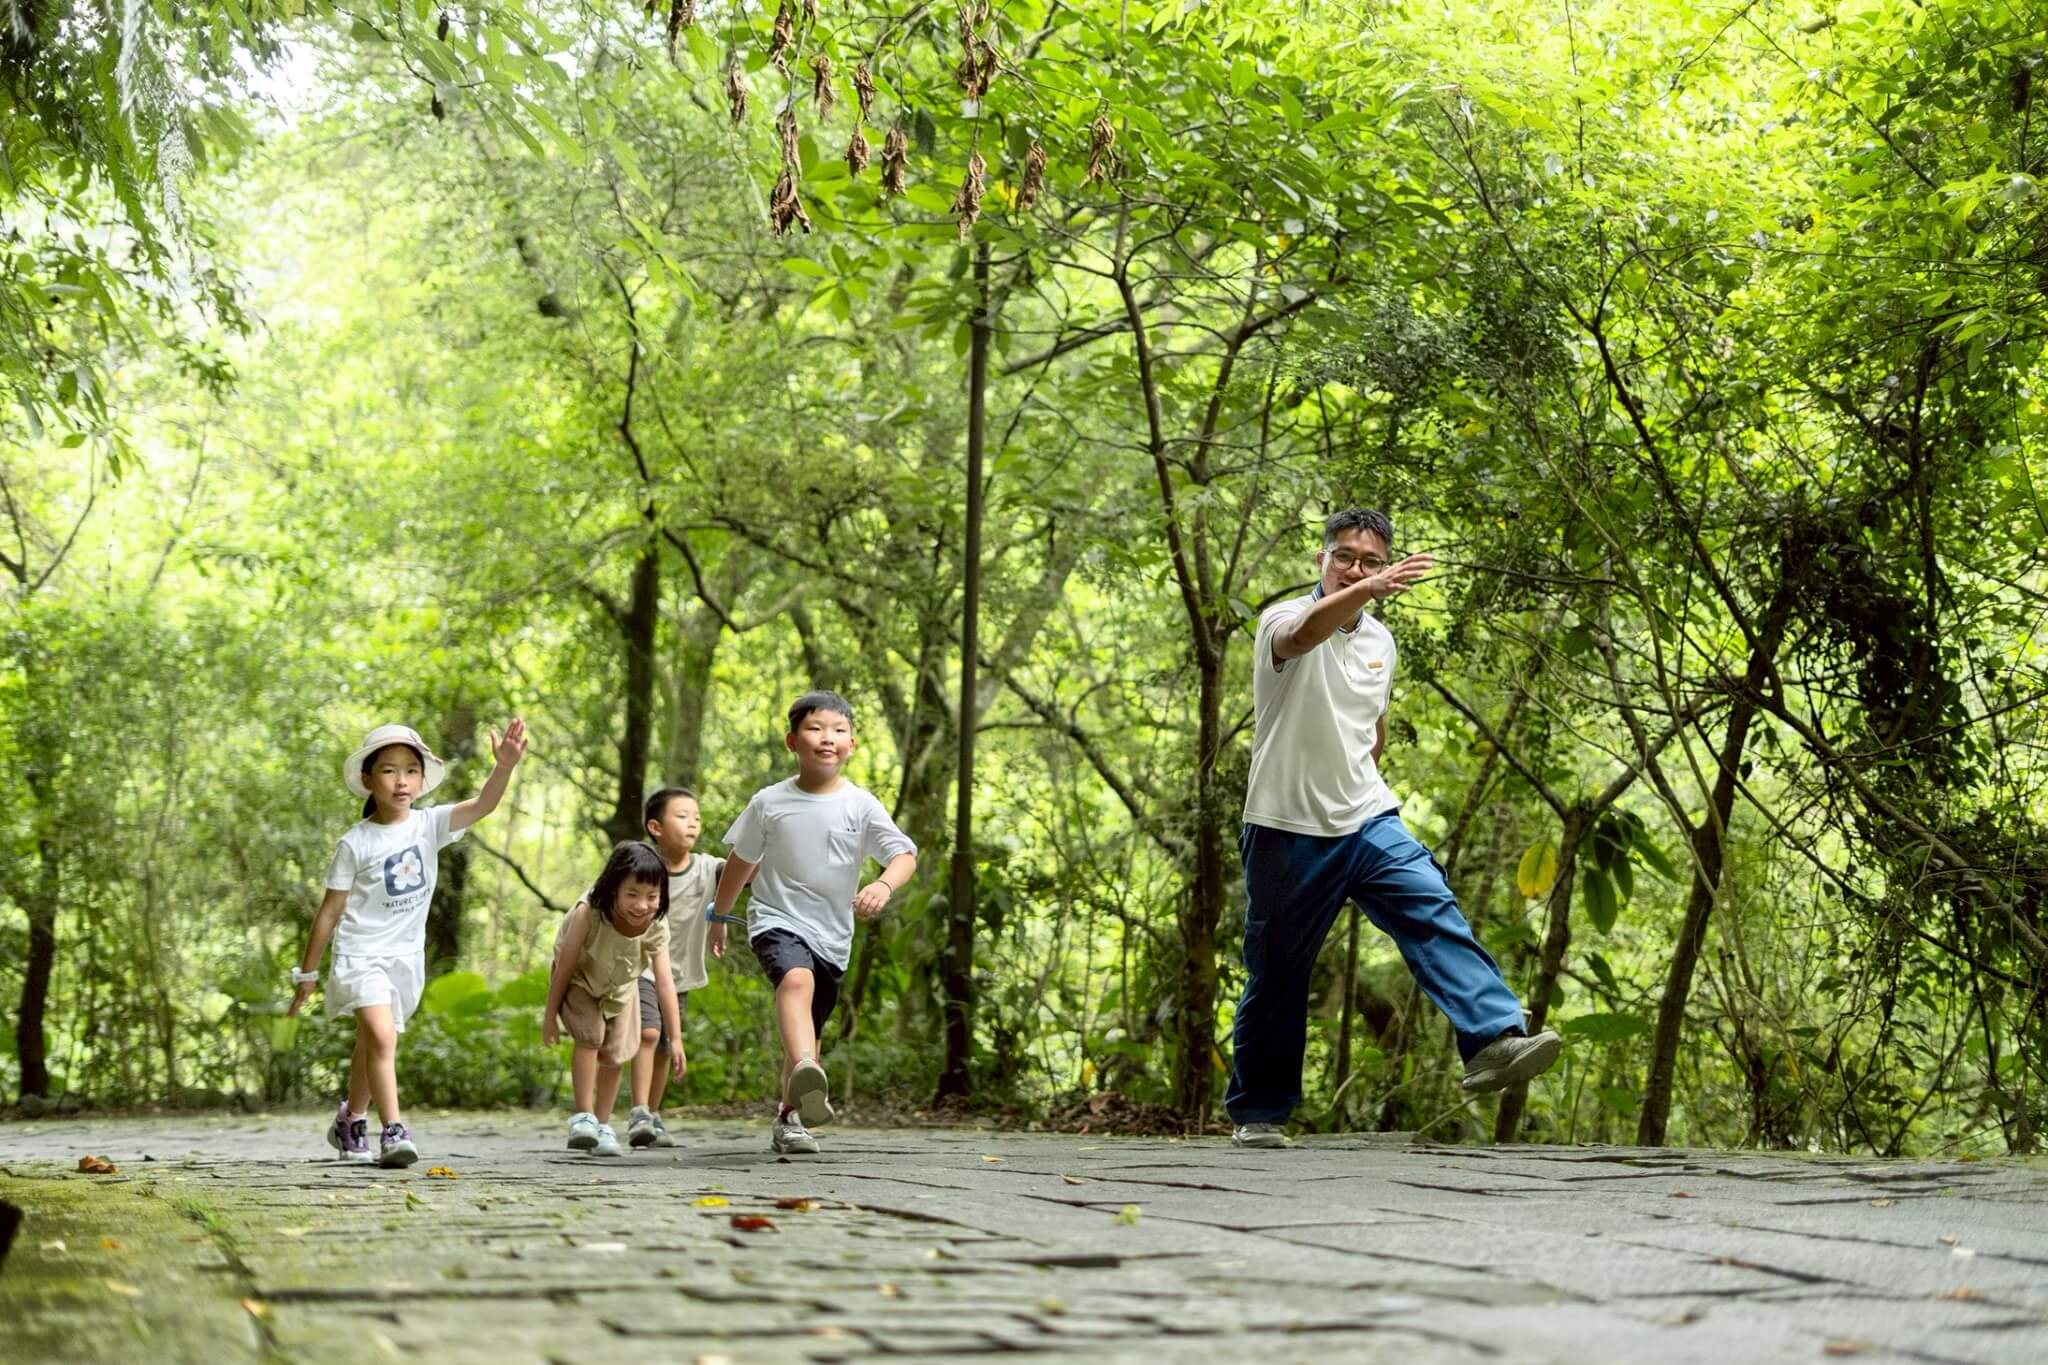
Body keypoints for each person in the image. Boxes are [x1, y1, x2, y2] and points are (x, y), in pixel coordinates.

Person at [1226, 508, 1561, 1149]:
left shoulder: (1381, 642)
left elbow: (1370, 730)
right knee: (1278, 973)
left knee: (1429, 904)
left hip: (1364, 817)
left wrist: (1360, 782)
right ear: (1320, 562)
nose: (1357, 569)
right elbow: (1302, 638)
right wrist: (1362, 594)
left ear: (1386, 567)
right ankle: (1261, 1113)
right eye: (1345, 557)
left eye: (1371, 562)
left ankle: (1493, 1039)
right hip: (1286, 826)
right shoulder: (1282, 619)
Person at [290, 719, 529, 1167]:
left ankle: (351, 1119)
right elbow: (328, 913)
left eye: (410, 770)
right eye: (388, 770)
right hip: (360, 954)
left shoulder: (429, 825)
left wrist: (505, 767)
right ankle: (393, 1130)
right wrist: (307, 974)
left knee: (371, 1040)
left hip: (404, 959)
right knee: (381, 1035)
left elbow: (483, 805)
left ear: (421, 780)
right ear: (367, 780)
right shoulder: (354, 842)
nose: (401, 781)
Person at [707, 690, 917, 1155]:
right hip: (775, 917)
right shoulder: (769, 802)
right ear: (792, 741)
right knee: (795, 983)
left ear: (852, 744)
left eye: (839, 730)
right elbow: (740, 863)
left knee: (808, 1027)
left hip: (833, 934)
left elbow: (903, 854)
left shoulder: (860, 805)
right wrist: (720, 915)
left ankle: (790, 1116)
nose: (828, 738)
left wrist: (883, 885)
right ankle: (805, 1065)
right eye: (816, 728)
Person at [543, 841, 684, 1157]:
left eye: (651, 896)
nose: (641, 905)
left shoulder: (655, 925)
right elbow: (564, 967)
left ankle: (603, 1125)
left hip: (622, 988)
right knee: (590, 1038)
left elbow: (664, 982)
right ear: (613, 889)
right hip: (580, 982)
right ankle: (583, 1116)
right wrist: (550, 1015)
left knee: (616, 1053)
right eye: (631, 894)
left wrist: (675, 1037)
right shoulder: (588, 913)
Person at [623, 786, 727, 1149]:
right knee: (648, 1034)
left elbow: (744, 872)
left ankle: (653, 1113)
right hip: (641, 968)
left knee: (667, 1045)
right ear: (656, 827)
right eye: (681, 816)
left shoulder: (706, 868)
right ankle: (638, 1111)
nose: (692, 823)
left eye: (696, 817)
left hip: (679, 972)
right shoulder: (642, 870)